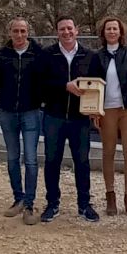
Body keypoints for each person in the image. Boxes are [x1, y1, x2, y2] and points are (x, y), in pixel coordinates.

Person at [38, 16, 100, 223]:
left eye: (69, 28)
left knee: (82, 161)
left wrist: (95, 109)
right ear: (57, 32)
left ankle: (84, 204)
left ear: (77, 30)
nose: (66, 32)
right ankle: (52, 203)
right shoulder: (47, 55)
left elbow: (96, 84)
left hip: (79, 118)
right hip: (53, 116)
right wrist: (65, 86)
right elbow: (41, 85)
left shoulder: (89, 55)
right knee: (52, 161)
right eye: (62, 29)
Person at [87, 15, 127, 218]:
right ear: (103, 32)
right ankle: (110, 195)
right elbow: (92, 85)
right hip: (106, 110)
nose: (111, 32)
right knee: (108, 152)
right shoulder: (97, 57)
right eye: (108, 29)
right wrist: (94, 110)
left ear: (121, 32)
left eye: (115, 29)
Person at [0, 17, 45, 225]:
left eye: (23, 31)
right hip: (7, 112)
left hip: (30, 111)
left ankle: (30, 204)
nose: (19, 35)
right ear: (10, 32)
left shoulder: (38, 53)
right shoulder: (2, 55)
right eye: (16, 31)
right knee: (12, 157)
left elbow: (42, 80)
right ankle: (18, 198)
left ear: (28, 32)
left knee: (31, 159)